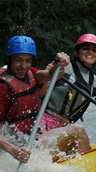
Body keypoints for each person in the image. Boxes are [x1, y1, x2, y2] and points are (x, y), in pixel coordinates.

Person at [0, 35, 69, 163]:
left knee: (76, 132)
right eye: (18, 60)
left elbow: (51, 75)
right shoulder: (3, 87)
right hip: (10, 144)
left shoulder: (30, 73)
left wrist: (59, 63)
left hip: (30, 137)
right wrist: (13, 150)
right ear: (9, 60)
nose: (23, 66)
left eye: (28, 60)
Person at [41, 33, 96, 155]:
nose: (90, 52)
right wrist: (57, 63)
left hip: (65, 128)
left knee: (77, 132)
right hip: (44, 125)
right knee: (79, 131)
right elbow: (45, 75)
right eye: (85, 48)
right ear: (77, 51)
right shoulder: (65, 67)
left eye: (94, 50)